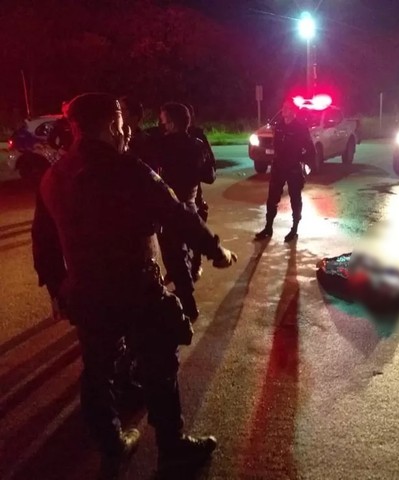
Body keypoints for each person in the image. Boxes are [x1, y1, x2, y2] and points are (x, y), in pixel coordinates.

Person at [31, 93, 237, 478]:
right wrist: (216, 251)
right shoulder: (129, 170)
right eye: (123, 125)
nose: (127, 133)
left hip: (87, 292)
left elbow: (42, 241)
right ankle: (172, 449)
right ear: (113, 125)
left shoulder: (54, 175)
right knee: (160, 365)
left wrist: (57, 289)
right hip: (137, 289)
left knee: (97, 370)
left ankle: (111, 442)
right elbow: (178, 216)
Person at [156, 102, 210, 320]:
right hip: (190, 204)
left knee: (174, 257)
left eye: (164, 121)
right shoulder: (198, 144)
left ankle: (188, 303)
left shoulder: (163, 145)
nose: (162, 125)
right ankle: (186, 293)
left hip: (171, 207)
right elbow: (210, 176)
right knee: (182, 252)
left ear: (172, 123)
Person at [254, 98, 315, 242]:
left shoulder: (300, 128)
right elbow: (276, 145)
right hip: (278, 167)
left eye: (287, 107)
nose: (284, 110)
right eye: (283, 107)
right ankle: (268, 228)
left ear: (293, 111)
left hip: (293, 169)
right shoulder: (279, 126)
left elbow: (310, 150)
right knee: (272, 199)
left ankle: (294, 229)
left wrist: (304, 165)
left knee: (295, 199)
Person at [186, 104, 216, 282]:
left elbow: (210, 172)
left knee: (195, 230)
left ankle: (195, 264)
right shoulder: (163, 139)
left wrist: (195, 168)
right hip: (171, 194)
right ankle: (181, 267)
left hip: (193, 194)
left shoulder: (197, 139)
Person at [119, 96, 157, 171]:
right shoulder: (114, 138)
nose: (118, 114)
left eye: (121, 109)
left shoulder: (148, 142)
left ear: (134, 115)